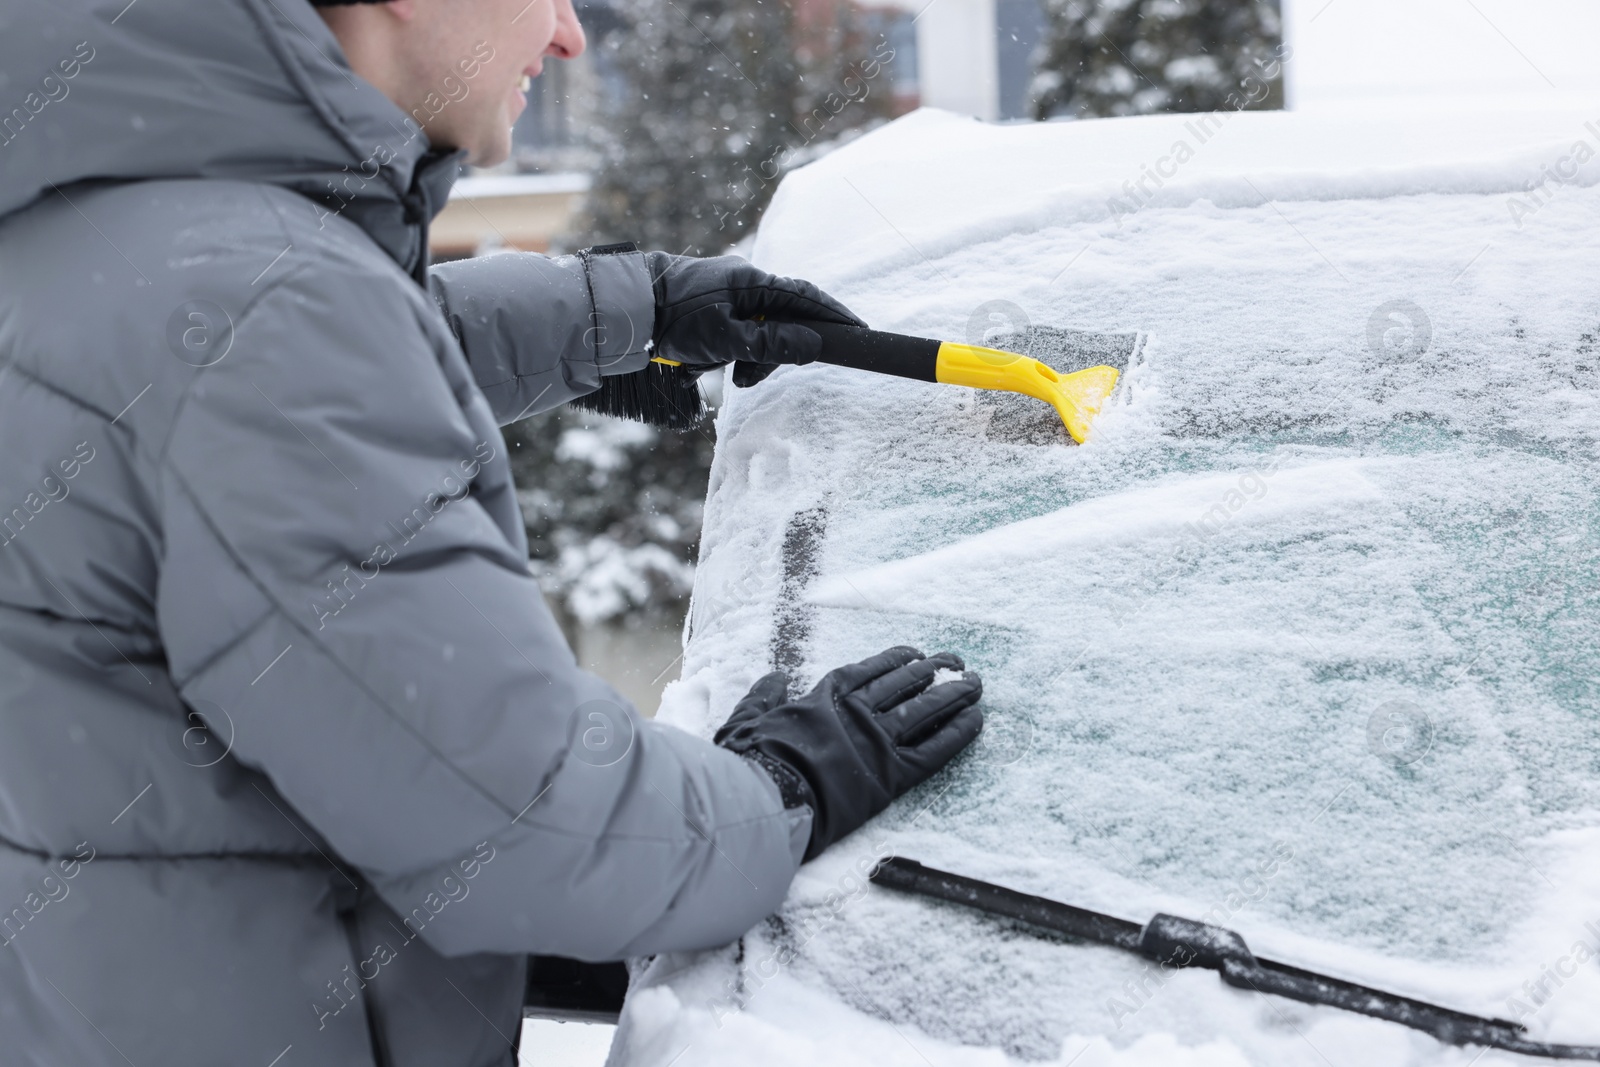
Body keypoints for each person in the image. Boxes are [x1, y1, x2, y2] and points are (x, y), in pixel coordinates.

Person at [0, 0, 985, 1063]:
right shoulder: (266, 311)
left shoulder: (90, 226)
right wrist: (780, 788)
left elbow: (227, 378)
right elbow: (533, 826)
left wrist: (626, 313)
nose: (566, 37)